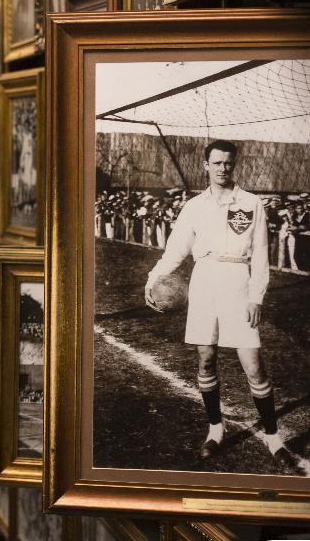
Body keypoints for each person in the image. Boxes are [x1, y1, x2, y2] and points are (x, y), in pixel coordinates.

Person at [144, 140, 290, 468]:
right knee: (206, 359)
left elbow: (263, 256)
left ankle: (272, 435)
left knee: (253, 364)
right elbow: (175, 250)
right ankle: (215, 429)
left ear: (234, 165)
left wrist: (256, 297)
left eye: (228, 163)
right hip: (204, 280)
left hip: (238, 280)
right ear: (205, 166)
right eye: (217, 163)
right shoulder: (194, 207)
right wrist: (152, 278)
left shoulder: (252, 203)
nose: (223, 168)